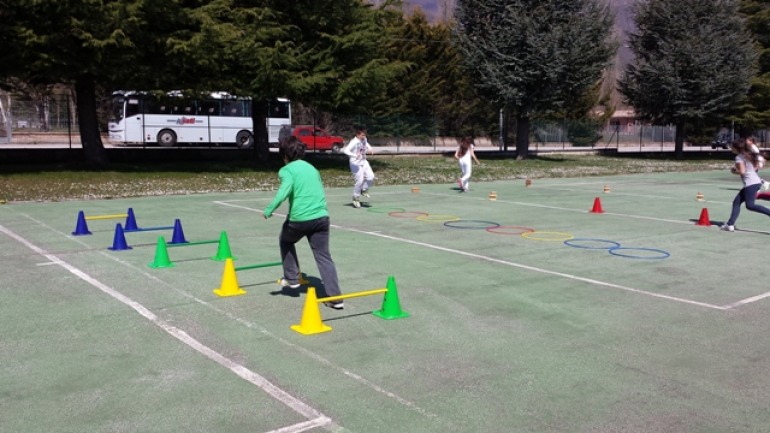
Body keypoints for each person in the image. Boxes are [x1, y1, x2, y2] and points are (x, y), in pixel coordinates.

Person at [263, 136, 344, 309]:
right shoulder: (313, 168)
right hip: (322, 218)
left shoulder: (286, 170)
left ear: (284, 155)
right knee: (323, 255)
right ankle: (336, 299)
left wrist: (269, 209)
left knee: (286, 240)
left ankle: (292, 278)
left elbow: (284, 192)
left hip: (299, 219)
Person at [721, 138, 770, 232]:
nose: (731, 148)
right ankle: (730, 224)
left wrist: (734, 171)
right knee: (736, 202)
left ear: (736, 148)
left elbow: (742, 172)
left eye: (732, 147)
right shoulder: (748, 155)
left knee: (750, 205)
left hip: (750, 184)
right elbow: (755, 168)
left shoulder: (739, 157)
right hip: (756, 181)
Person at [342, 127, 374, 208]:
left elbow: (366, 144)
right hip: (355, 164)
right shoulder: (354, 142)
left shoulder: (364, 139)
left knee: (371, 177)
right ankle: (355, 198)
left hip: (364, 161)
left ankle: (364, 189)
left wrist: (370, 149)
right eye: (362, 135)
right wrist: (355, 155)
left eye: (364, 135)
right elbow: (345, 151)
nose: (364, 136)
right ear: (357, 135)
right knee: (359, 181)